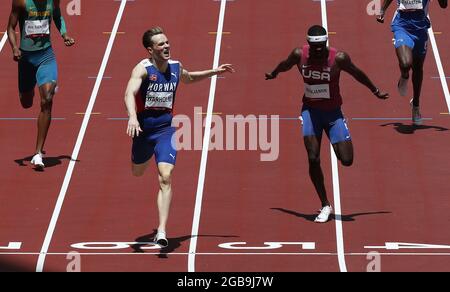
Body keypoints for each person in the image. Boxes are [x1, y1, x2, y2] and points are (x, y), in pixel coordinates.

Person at [265, 25, 389, 223]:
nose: (319, 51)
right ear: (308, 46)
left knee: (347, 160)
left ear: (326, 43)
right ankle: (325, 204)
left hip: (333, 114)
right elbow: (285, 64)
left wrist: (375, 91)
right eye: (315, 48)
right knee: (313, 158)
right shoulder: (299, 55)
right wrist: (274, 73)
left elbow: (357, 74)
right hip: (310, 112)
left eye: (322, 47)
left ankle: (337, 136)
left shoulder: (338, 58)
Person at [124, 27, 234, 247]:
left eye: (167, 42)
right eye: (161, 44)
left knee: (166, 176)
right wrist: (133, 118)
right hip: (144, 131)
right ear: (150, 49)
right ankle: (143, 158)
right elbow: (129, 93)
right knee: (138, 171)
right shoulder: (142, 69)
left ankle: (162, 230)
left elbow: (189, 78)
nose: (166, 47)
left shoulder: (176, 66)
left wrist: (215, 71)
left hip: (166, 129)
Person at [7, 0, 75, 170]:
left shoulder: (53, 1)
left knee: (47, 100)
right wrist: (15, 48)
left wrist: (64, 34)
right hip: (26, 59)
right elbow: (10, 27)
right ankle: (30, 90)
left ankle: (38, 153)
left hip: (46, 56)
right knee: (26, 102)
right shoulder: (21, 2)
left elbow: (58, 16)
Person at [377, 0, 447, 125]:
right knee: (405, 64)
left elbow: (443, 5)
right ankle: (404, 76)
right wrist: (382, 10)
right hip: (402, 25)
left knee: (418, 68)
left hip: (421, 29)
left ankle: (416, 106)